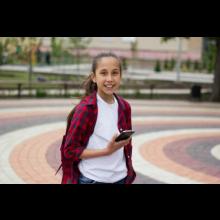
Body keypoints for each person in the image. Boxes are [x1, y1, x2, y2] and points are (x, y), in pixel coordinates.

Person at [61, 52, 136, 184]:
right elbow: (69, 150)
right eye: (103, 73)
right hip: (94, 178)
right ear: (94, 77)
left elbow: (126, 144)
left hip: (121, 178)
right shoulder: (86, 109)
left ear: (120, 76)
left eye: (115, 73)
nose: (110, 79)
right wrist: (106, 151)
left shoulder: (125, 107)